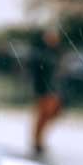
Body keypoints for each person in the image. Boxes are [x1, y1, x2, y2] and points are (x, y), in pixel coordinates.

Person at [29, 25, 65, 156]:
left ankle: (38, 140)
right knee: (43, 115)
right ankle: (37, 141)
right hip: (44, 89)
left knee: (51, 114)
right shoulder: (41, 53)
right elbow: (38, 72)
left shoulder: (56, 52)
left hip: (53, 89)